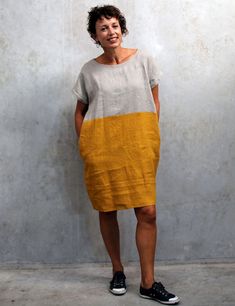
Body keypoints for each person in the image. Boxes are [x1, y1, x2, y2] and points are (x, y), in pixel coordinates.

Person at [73, 4, 180, 305]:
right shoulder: (89, 70)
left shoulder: (144, 60)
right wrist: (88, 147)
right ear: (95, 36)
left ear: (122, 27)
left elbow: (154, 101)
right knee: (107, 208)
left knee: (147, 211)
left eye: (114, 25)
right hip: (102, 149)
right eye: (103, 28)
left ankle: (148, 283)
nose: (110, 32)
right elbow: (79, 111)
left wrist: (148, 136)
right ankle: (117, 270)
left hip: (139, 147)